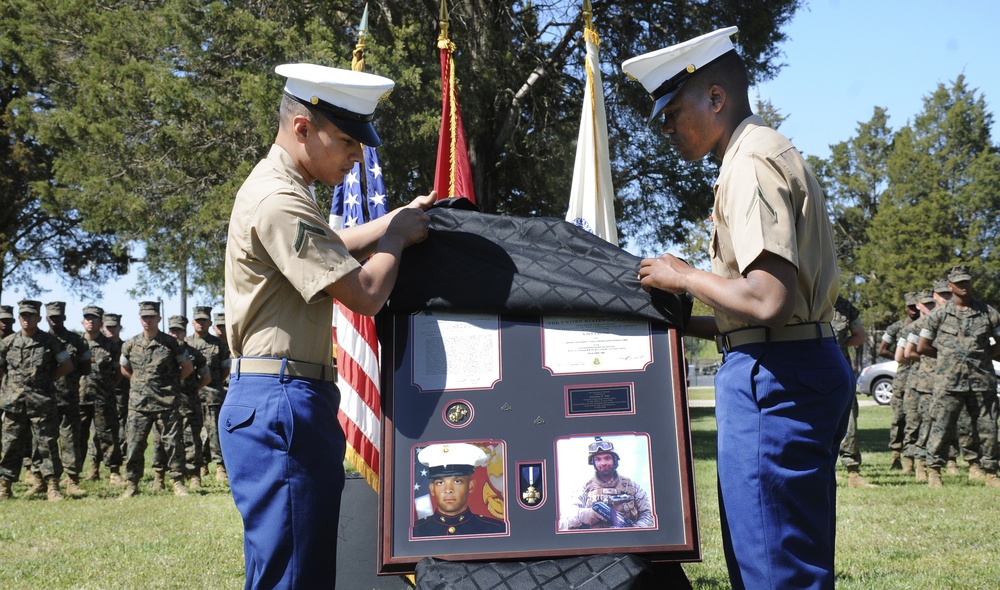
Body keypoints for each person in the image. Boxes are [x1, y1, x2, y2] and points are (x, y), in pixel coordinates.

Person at [627, 27, 854, 589]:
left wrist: (683, 277)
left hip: (775, 381)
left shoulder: (749, 162)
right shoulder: (764, 150)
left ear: (716, 98)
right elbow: (764, 311)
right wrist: (688, 324)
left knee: (772, 570)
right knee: (790, 556)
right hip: (793, 365)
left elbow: (767, 299)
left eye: (673, 111)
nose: (667, 129)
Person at [220, 62, 432, 588]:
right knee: (293, 575)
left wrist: (396, 218)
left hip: (284, 396)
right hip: (282, 400)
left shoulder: (285, 188)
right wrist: (396, 240)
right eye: (346, 140)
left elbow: (332, 249)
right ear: (301, 128)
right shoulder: (280, 200)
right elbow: (364, 294)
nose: (358, 155)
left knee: (296, 566)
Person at [916, 265, 1000, 488]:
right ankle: (934, 471)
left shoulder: (988, 313)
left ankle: (990, 472)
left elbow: (999, 345)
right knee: (941, 427)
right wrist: (947, 358)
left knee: (988, 427)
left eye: (967, 282)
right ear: (950, 285)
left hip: (982, 380)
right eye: (959, 283)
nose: (964, 286)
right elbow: (923, 346)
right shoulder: (938, 315)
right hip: (948, 382)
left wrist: (979, 358)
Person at [119, 301, 194, 498]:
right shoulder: (130, 344)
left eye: (151, 316)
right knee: (134, 444)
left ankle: (178, 482)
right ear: (140, 319)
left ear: (159, 319)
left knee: (173, 443)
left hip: (166, 401)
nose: (148, 320)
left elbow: (187, 367)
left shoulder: (172, 344)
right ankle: (132, 484)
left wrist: (170, 384)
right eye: (144, 317)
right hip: (139, 404)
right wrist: (139, 383)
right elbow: (125, 369)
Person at [0, 300, 73, 501]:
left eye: (30, 315)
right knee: (10, 445)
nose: (26, 318)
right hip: (14, 403)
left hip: (42, 402)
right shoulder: (7, 343)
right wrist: (9, 385)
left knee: (47, 445)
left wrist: (48, 380)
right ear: (18, 318)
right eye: (23, 315)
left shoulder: (50, 342)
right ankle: (5, 487)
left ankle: (52, 487)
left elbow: (67, 365)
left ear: (39, 318)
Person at [44, 301, 90, 497]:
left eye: (58, 317)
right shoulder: (40, 340)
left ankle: (72, 480)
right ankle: (43, 480)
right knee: (45, 441)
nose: (55, 320)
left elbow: (87, 367)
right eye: (51, 317)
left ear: (64, 318)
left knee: (71, 439)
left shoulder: (77, 341)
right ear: (46, 318)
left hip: (70, 396)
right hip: (44, 398)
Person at [411, 443, 506, 537]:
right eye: (440, 483)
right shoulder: (416, 532)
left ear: (470, 485)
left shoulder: (495, 530)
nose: (448, 490)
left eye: (457, 481)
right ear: (432, 489)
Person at [559, 437, 653, 530]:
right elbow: (563, 522)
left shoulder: (632, 487)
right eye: (598, 459)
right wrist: (585, 515)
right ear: (593, 463)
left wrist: (639, 528)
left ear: (615, 460)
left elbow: (648, 514)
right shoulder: (583, 489)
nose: (603, 463)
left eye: (607, 458)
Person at [78, 305, 125, 485]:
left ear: (101, 322)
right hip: (80, 398)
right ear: (82, 321)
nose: (90, 321)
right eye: (87, 318)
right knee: (78, 437)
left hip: (103, 398)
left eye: (94, 318)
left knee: (107, 435)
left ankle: (114, 472)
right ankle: (75, 474)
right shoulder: (76, 343)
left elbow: (119, 372)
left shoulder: (111, 346)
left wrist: (109, 387)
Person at [833, 296, 875, 488]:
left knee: (849, 420)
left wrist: (837, 346)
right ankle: (827, 471)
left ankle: (853, 473)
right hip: (810, 372)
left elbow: (860, 336)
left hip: (840, 371)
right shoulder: (804, 298)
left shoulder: (845, 306)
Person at [166, 315, 210, 490]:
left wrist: (192, 390)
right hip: (166, 402)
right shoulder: (162, 350)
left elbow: (206, 377)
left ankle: (194, 476)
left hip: (189, 402)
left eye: (179, 330)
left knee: (192, 439)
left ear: (185, 332)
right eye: (172, 330)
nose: (175, 334)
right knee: (167, 441)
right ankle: (163, 476)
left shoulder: (195, 353)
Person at [188, 306, 230, 482]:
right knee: (193, 431)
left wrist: (215, 383)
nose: (201, 323)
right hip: (192, 395)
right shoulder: (186, 344)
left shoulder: (219, 344)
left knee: (214, 431)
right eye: (198, 320)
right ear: (192, 322)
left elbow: (225, 369)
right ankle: (200, 465)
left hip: (213, 393)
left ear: (210, 323)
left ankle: (220, 466)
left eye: (204, 320)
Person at [883, 292, 919, 469]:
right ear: (905, 307)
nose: (913, 310)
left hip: (923, 377)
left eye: (915, 306)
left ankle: (915, 458)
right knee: (899, 418)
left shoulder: (928, 323)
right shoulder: (897, 327)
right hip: (903, 377)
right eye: (910, 306)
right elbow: (883, 349)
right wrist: (902, 358)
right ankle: (895, 456)